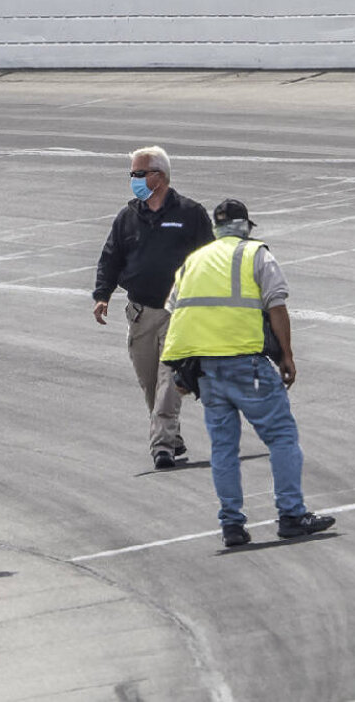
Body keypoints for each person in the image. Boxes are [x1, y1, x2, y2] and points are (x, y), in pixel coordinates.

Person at [161, 199, 335, 547]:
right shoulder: (257, 255)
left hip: (207, 372)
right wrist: (286, 356)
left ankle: (232, 525)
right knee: (282, 436)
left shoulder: (192, 262)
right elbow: (276, 306)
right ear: (246, 227)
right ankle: (291, 514)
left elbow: (175, 314)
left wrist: (181, 371)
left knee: (223, 448)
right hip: (247, 365)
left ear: (215, 229)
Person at [93, 146, 214, 469]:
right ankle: (171, 435)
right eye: (132, 173)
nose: (133, 179)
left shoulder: (190, 214)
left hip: (181, 314)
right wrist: (102, 294)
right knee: (150, 382)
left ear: (159, 177)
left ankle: (161, 446)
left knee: (168, 381)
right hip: (141, 314)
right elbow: (110, 258)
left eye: (138, 173)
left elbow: (210, 260)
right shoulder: (127, 217)